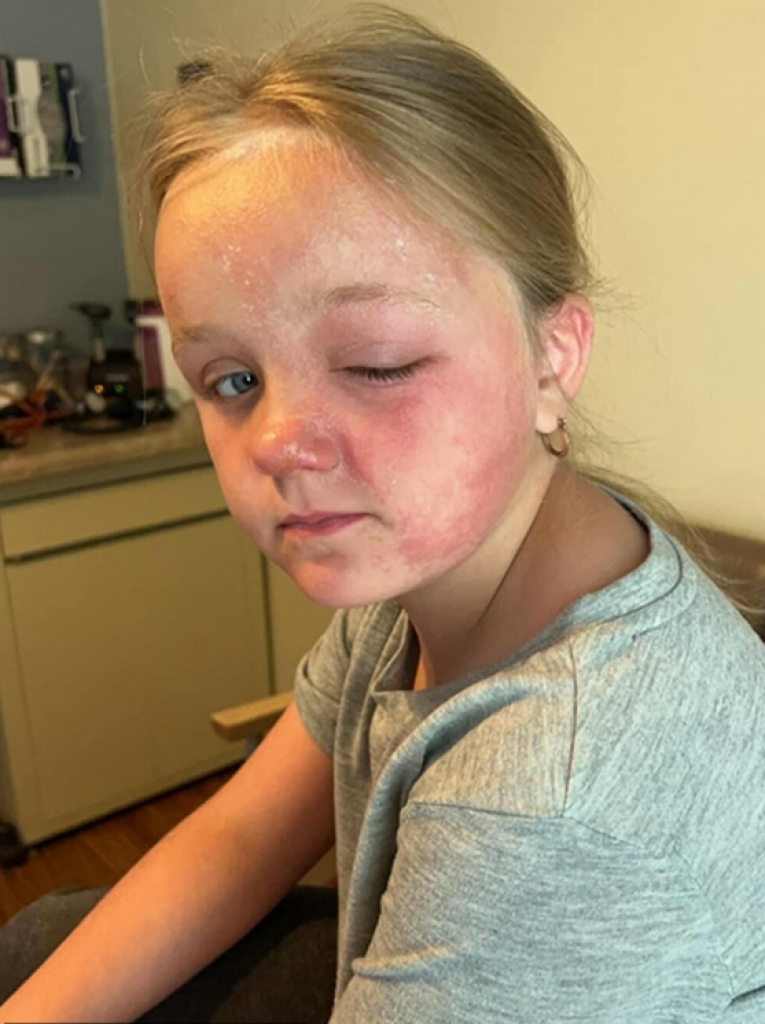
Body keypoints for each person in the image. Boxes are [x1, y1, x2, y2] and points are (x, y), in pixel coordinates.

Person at [2, 6, 764, 1022]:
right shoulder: (428, 576)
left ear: (552, 356)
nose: (279, 441)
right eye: (231, 380)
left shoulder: (546, 811)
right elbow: (239, 838)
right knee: (44, 940)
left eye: (376, 363)